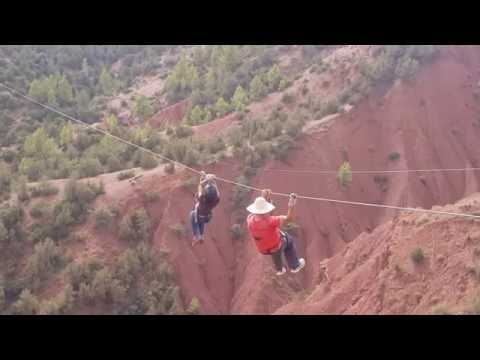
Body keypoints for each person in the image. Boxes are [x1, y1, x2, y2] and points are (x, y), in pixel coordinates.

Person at [246, 189, 306, 276]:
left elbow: (263, 215)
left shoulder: (249, 220)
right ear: (265, 210)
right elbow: (289, 219)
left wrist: (265, 199)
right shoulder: (271, 221)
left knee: (273, 245)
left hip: (263, 250)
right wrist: (291, 204)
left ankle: (280, 269)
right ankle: (295, 266)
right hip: (276, 246)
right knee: (288, 240)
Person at [190, 171, 220, 247]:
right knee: (201, 219)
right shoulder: (215, 200)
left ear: (205, 192)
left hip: (199, 215)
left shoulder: (202, 199)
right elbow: (217, 193)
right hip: (207, 217)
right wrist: (213, 181)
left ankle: (196, 236)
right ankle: (201, 235)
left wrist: (204, 178)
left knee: (193, 215)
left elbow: (200, 186)